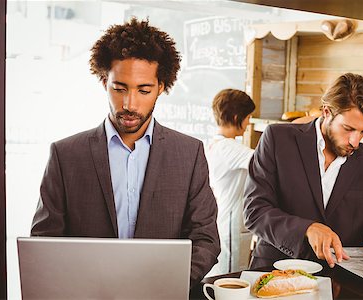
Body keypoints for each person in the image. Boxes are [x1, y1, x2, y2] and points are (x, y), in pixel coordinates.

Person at [30, 18, 220, 288]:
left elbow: (206, 239)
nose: (130, 104)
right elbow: (44, 243)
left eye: (144, 90)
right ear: (103, 80)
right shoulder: (66, 155)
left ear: (162, 87)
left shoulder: (189, 154)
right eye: (119, 89)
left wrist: (165, 284)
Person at [244, 73, 363, 283]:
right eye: (348, 129)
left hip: (342, 284)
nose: (355, 142)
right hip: (273, 275)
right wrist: (307, 228)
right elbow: (255, 210)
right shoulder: (277, 139)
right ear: (327, 112)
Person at [205, 89, 256, 276]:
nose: (249, 123)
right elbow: (267, 159)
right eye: (248, 117)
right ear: (237, 117)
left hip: (228, 221)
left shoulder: (219, 145)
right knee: (230, 279)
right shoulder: (229, 148)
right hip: (230, 226)